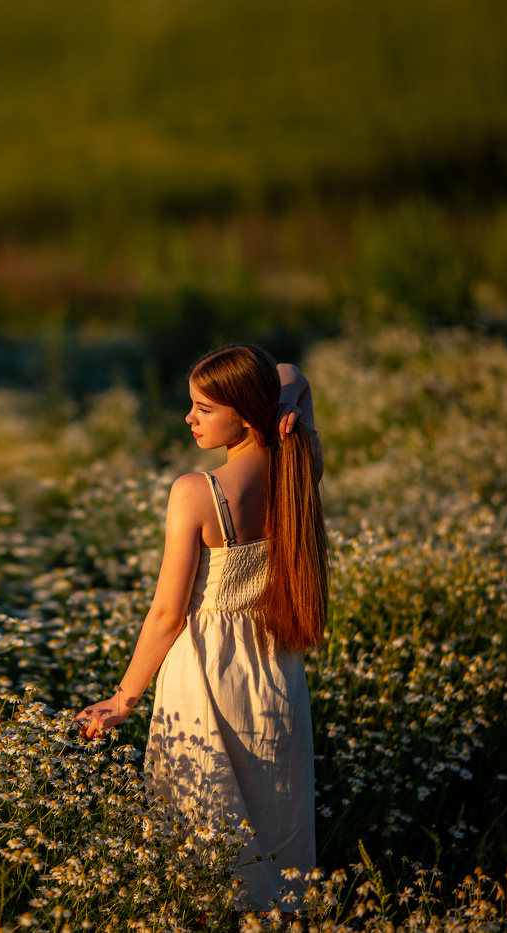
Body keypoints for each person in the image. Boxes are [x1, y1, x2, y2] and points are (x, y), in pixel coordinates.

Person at [76, 343, 327, 912]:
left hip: (205, 673)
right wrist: (284, 401)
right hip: (275, 672)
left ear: (244, 411)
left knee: (199, 834)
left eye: (204, 408)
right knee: (276, 820)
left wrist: (124, 698)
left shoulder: (197, 491)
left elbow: (167, 614)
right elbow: (293, 374)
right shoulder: (300, 459)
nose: (189, 418)